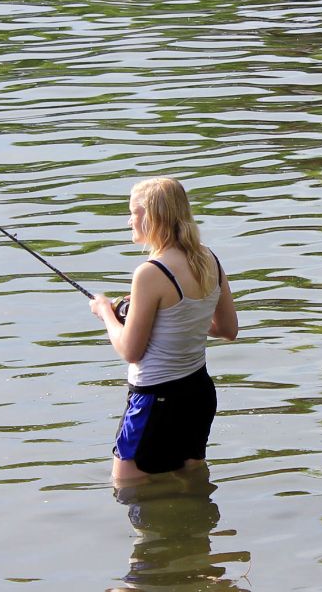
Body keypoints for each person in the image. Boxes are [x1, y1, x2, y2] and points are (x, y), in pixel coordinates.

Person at [90, 177, 239, 485]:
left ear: (153, 215)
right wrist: (173, 317)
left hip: (154, 400)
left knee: (126, 487)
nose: (129, 220)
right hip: (198, 394)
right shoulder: (209, 258)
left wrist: (105, 311)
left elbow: (130, 351)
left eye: (134, 212)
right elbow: (228, 329)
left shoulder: (150, 273)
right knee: (192, 481)